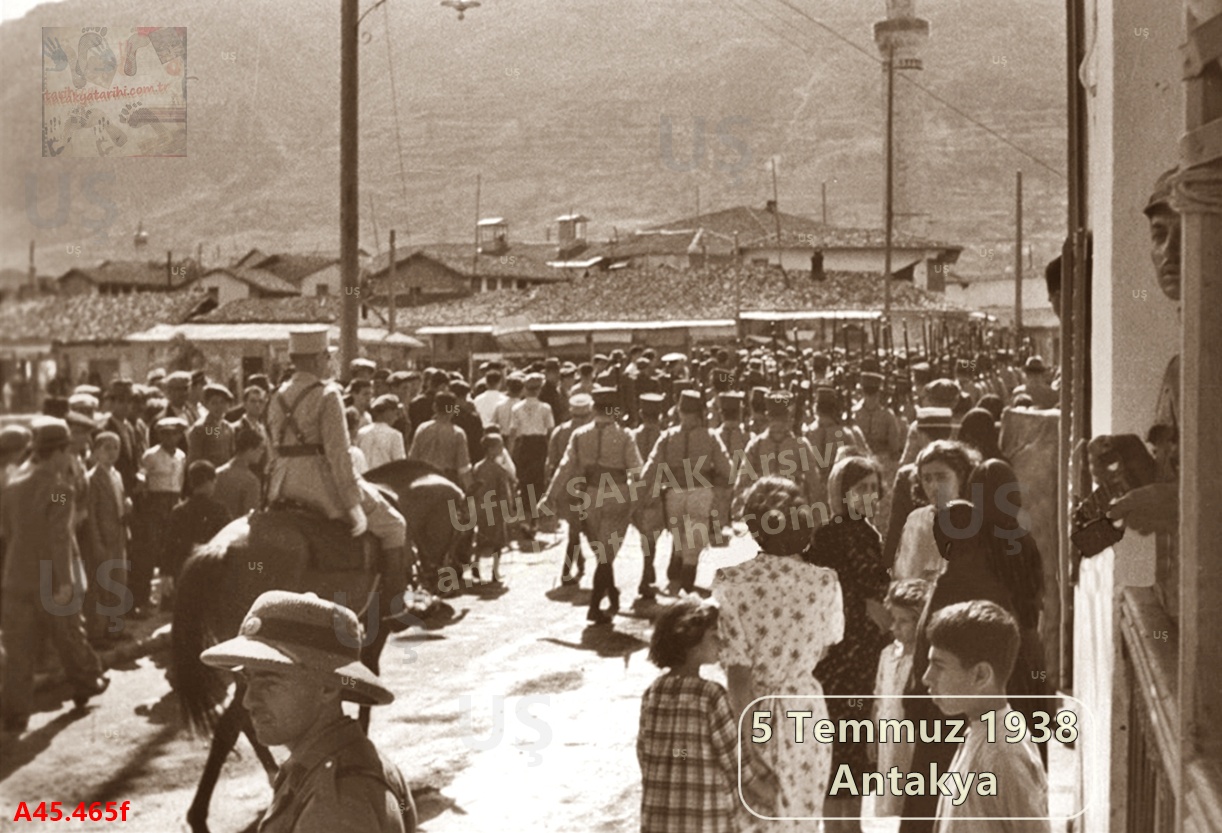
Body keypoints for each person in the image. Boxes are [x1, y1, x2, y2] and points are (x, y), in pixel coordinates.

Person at [199, 590, 415, 832]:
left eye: (269, 682)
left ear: (327, 688)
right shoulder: (338, 764)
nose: (248, 701)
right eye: (248, 679)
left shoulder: (333, 805)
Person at [713, 476, 843, 829]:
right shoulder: (825, 581)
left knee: (757, 815)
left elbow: (737, 674)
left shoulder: (730, 581)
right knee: (802, 817)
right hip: (807, 712)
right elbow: (825, 646)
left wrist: (745, 745)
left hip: (755, 711)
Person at [266, 328, 410, 610]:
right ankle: (395, 604)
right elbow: (339, 455)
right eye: (327, 357)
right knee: (395, 526)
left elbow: (272, 448)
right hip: (319, 486)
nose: (329, 363)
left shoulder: (276, 395)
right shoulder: (327, 394)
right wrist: (353, 504)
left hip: (281, 484)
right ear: (317, 359)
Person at [1, 417, 110, 735]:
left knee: (18, 648)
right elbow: (59, 536)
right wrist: (64, 580)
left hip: (16, 576)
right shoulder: (60, 491)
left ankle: (15, 715)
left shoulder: (12, 487)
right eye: (66, 451)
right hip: (50, 576)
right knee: (69, 634)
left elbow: (7, 530)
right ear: (59, 452)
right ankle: (87, 683)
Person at [803, 456, 892, 832]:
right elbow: (870, 591)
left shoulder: (857, 532)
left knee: (846, 749)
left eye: (874, 487)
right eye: (861, 488)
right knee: (845, 747)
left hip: (851, 658)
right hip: (846, 660)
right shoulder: (841, 534)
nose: (869, 495)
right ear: (842, 492)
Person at [637, 598, 776, 833]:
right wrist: (765, 790)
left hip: (658, 817)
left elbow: (646, 752)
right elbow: (735, 761)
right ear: (691, 642)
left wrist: (679, 765)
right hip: (706, 818)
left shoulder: (653, 692)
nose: (721, 642)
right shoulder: (711, 695)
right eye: (714, 635)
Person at [1108, 166, 1181, 614]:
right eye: (1160, 234)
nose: (1170, 252)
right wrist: (1141, 468)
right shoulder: (1181, 367)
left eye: (1190, 231)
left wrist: (1178, 505)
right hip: (1178, 603)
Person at [923, 600, 1051, 833]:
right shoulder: (979, 729)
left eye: (939, 666)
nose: (926, 678)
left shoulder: (1004, 754)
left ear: (981, 675)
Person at [544, 386, 642, 625]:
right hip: (617, 493)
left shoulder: (579, 435)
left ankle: (611, 592)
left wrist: (550, 496)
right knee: (607, 554)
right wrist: (637, 500)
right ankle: (596, 605)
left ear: (594, 409)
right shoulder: (625, 436)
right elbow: (636, 471)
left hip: (590, 495)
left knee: (602, 552)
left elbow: (565, 467)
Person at [640, 390, 732, 595]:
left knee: (679, 534)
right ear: (700, 413)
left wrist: (640, 492)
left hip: (674, 493)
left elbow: (651, 467)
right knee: (694, 538)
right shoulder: (711, 437)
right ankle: (687, 583)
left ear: (679, 412)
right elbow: (727, 470)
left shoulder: (667, 436)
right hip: (701, 492)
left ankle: (678, 564)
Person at [871, 578, 931, 818]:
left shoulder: (924, 660)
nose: (894, 627)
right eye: (893, 619)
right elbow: (878, 697)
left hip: (913, 740)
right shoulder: (888, 654)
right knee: (894, 797)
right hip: (889, 739)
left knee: (914, 800)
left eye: (903, 621)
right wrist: (874, 735)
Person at [893, 440, 979, 583]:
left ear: (961, 476)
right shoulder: (917, 520)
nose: (934, 486)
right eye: (927, 479)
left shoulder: (974, 519)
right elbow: (904, 574)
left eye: (941, 477)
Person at [162, 461, 232, 609]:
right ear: (210, 481)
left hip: (184, 569)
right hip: (211, 569)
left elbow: (169, 545)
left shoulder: (179, 511)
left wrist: (166, 573)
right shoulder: (220, 510)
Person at [82, 431, 131, 642]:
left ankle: (115, 628)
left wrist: (127, 506)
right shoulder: (92, 478)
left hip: (118, 535)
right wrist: (97, 542)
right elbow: (91, 514)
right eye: (107, 448)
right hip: (103, 537)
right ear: (96, 451)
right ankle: (98, 632)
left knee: (118, 582)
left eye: (116, 447)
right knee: (101, 585)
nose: (112, 452)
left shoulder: (116, 475)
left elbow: (119, 501)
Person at [139, 416, 187, 617]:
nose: (170, 438)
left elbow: (181, 480)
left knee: (172, 551)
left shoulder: (181, 456)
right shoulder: (151, 455)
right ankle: (143, 597)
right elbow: (142, 479)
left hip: (174, 503)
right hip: (155, 504)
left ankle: (169, 597)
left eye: (174, 433)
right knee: (151, 551)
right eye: (165, 434)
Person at [548, 392, 595, 586]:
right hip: (586, 488)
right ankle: (566, 571)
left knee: (574, 527)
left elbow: (551, 462)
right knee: (578, 531)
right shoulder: (591, 434)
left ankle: (580, 563)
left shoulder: (559, 431)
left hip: (564, 488)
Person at [509, 373, 555, 539]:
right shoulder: (545, 408)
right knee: (537, 482)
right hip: (539, 445)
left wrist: (510, 452)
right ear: (539, 389)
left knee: (524, 482)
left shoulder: (517, 408)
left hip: (524, 445)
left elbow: (513, 432)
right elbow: (550, 431)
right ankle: (534, 521)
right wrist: (551, 452)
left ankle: (525, 520)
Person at [468, 433, 516, 585]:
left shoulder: (477, 467)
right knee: (498, 542)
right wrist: (508, 508)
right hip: (495, 510)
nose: (502, 449)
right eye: (499, 446)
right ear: (490, 449)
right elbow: (504, 492)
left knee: (481, 539)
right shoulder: (499, 470)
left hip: (481, 508)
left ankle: (475, 564)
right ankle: (495, 571)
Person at [407, 391, 472, 489]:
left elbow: (412, 459)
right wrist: (471, 489)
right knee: (449, 500)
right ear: (454, 409)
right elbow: (463, 468)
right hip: (446, 482)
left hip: (424, 480)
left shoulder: (422, 429)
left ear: (434, 407)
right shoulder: (457, 433)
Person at [214, 427, 265, 518]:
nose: (262, 452)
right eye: (260, 448)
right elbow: (251, 517)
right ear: (250, 450)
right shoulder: (251, 481)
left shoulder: (217, 473)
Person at [187, 383, 236, 468]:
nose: (219, 407)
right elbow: (194, 459)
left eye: (222, 402)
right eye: (214, 403)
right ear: (207, 405)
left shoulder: (228, 427)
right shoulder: (201, 428)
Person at [357, 395, 408, 472]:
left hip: (364, 476)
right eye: (395, 412)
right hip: (385, 477)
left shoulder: (361, 432)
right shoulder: (395, 435)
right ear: (387, 412)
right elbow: (400, 465)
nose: (397, 417)